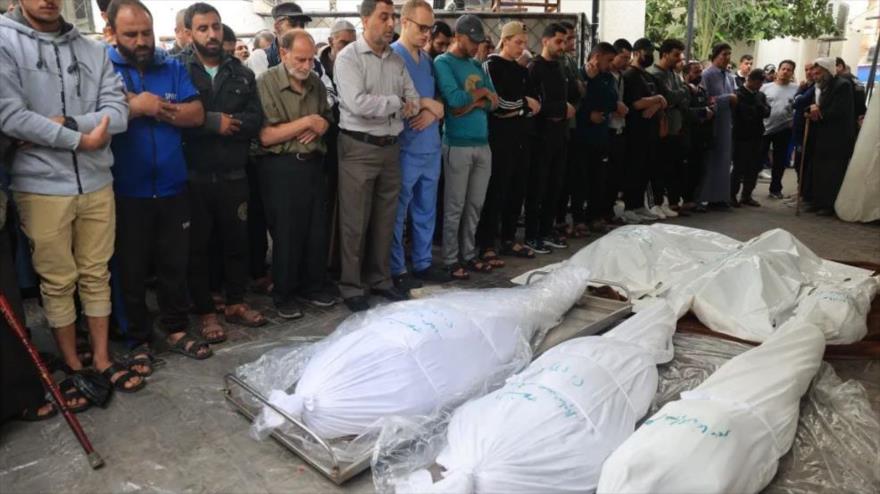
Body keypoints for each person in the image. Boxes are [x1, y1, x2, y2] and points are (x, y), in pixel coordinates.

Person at [0, 0, 141, 400]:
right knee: (58, 280)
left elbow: (119, 112)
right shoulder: (4, 41)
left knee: (97, 273)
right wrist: (80, 139)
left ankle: (100, 359)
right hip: (40, 184)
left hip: (96, 181)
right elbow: (9, 115)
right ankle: (72, 364)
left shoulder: (91, 49)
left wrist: (67, 125)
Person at [107, 0, 210, 360]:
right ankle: (139, 340)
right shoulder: (103, 67)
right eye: (130, 34)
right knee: (131, 270)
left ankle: (177, 328)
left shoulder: (172, 65)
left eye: (146, 33)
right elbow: (103, 115)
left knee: (173, 266)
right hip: (125, 190)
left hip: (172, 185)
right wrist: (139, 107)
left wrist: (149, 107)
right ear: (113, 34)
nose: (141, 41)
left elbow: (196, 114)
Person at [181, 3, 267, 334]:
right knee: (198, 248)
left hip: (234, 174)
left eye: (215, 27)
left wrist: (231, 124)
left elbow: (254, 120)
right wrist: (213, 124)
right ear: (189, 33)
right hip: (194, 176)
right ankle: (206, 311)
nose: (212, 34)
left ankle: (236, 302)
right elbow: (176, 118)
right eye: (203, 28)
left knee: (236, 243)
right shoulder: (178, 69)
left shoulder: (241, 73)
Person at [333, 0, 421, 312]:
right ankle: (352, 285)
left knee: (386, 218)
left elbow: (414, 99)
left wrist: (399, 102)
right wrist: (397, 102)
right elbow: (358, 104)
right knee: (355, 221)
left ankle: (380, 280)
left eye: (393, 17)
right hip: (359, 148)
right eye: (384, 17)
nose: (390, 24)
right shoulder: (348, 59)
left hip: (390, 148)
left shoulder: (396, 60)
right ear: (365, 19)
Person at [256, 29, 337, 318]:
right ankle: (284, 293)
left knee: (316, 230)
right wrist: (307, 121)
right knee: (287, 234)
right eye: (300, 59)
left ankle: (313, 286)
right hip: (282, 167)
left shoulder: (314, 81)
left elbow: (326, 122)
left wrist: (319, 125)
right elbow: (266, 136)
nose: (306, 65)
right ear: (283, 52)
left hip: (313, 163)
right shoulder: (266, 82)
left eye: (310, 59)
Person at [435, 14, 498, 278]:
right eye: (471, 41)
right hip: (457, 145)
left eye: (477, 41)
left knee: (475, 205)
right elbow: (454, 100)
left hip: (482, 144)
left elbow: (494, 102)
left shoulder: (477, 65)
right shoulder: (443, 62)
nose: (475, 46)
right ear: (457, 36)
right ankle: (450, 259)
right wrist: (478, 97)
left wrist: (474, 100)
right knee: (454, 206)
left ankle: (469, 254)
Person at [390, 0, 447, 287]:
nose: (427, 34)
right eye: (422, 27)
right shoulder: (391, 57)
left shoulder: (427, 61)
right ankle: (397, 268)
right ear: (405, 22)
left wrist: (433, 109)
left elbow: (438, 101)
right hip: (405, 146)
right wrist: (427, 107)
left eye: (430, 28)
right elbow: (392, 102)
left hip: (430, 146)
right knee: (398, 212)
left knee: (426, 208)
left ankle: (423, 263)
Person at [478, 21, 539, 260]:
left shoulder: (523, 71)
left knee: (517, 189)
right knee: (497, 190)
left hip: (522, 137)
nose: (522, 47)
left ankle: (509, 238)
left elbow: (536, 102)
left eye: (525, 43)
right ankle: (486, 243)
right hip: (499, 139)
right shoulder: (491, 66)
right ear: (505, 40)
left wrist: (522, 106)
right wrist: (522, 104)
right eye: (518, 42)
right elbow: (499, 104)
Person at [524, 23, 575, 254]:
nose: (562, 46)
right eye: (558, 41)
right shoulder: (535, 68)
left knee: (555, 186)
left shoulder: (560, 67)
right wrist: (559, 109)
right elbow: (534, 105)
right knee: (538, 187)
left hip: (560, 136)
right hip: (541, 137)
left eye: (565, 41)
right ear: (545, 41)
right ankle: (532, 234)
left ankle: (546, 230)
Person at [573, 42, 619, 233]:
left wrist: (596, 83)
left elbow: (611, 101)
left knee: (598, 179)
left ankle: (595, 216)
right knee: (579, 179)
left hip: (600, 135)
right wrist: (587, 113)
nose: (610, 65)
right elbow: (576, 101)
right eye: (608, 60)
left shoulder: (608, 77)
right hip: (581, 135)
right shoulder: (578, 74)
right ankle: (578, 219)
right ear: (596, 57)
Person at [622, 38, 667, 220]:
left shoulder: (649, 76)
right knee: (633, 169)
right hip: (635, 132)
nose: (649, 55)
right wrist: (656, 99)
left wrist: (656, 102)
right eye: (646, 51)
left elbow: (663, 99)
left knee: (645, 170)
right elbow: (636, 103)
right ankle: (629, 207)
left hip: (650, 132)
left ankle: (640, 205)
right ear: (637, 52)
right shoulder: (630, 75)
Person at [805, 57, 856, 215]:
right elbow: (812, 104)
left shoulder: (842, 85)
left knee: (832, 172)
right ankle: (817, 201)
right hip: (822, 137)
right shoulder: (820, 86)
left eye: (818, 73)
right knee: (819, 170)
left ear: (827, 72)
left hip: (837, 138)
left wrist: (817, 114)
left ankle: (828, 205)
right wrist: (811, 109)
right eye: (813, 73)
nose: (815, 76)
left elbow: (838, 111)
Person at [647, 38, 688, 217]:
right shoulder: (655, 74)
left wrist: (679, 95)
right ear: (664, 54)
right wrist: (681, 93)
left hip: (675, 127)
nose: (679, 59)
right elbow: (669, 97)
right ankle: (655, 202)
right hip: (661, 129)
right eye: (676, 55)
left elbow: (681, 97)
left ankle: (666, 202)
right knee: (658, 168)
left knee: (671, 168)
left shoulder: (673, 74)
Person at [697, 42, 737, 210]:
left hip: (726, 122)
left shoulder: (729, 76)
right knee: (710, 161)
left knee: (724, 160)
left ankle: (719, 198)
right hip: (712, 122)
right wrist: (727, 98)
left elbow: (735, 95)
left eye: (729, 54)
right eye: (723, 54)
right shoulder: (707, 74)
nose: (727, 58)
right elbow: (705, 98)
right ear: (715, 55)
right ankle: (702, 199)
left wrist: (731, 98)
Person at [730, 69, 771, 207]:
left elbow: (767, 111)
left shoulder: (760, 95)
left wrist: (758, 109)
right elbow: (743, 114)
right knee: (739, 167)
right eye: (759, 82)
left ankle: (747, 195)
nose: (760, 85)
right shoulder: (738, 93)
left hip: (757, 135)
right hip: (741, 136)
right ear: (751, 80)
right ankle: (731, 195)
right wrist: (757, 110)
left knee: (754, 167)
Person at [609, 39, 638, 224]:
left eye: (629, 58)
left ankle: (610, 210)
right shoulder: (605, 75)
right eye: (623, 57)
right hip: (607, 129)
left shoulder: (621, 76)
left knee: (615, 174)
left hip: (620, 128)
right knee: (605, 176)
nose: (626, 62)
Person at [761, 59, 798, 200]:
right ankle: (747, 190)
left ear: (792, 73)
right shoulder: (765, 88)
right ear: (778, 70)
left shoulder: (796, 89)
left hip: (784, 129)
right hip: (764, 128)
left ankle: (775, 189)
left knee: (780, 161)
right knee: (758, 158)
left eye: (789, 70)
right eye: (783, 68)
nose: (785, 71)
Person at [682, 60, 715, 211]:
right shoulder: (684, 90)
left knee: (699, 169)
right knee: (687, 170)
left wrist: (710, 109)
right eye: (696, 72)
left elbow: (709, 106)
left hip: (702, 136)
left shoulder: (701, 90)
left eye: (700, 71)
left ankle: (695, 199)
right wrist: (703, 112)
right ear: (686, 73)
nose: (699, 75)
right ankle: (686, 199)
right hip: (687, 135)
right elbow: (684, 111)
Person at [247, 2, 311, 77]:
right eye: (293, 23)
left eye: (302, 25)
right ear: (277, 26)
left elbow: (324, 86)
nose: (299, 29)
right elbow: (264, 86)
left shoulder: (311, 57)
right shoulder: (261, 56)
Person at [835, 57, 868, 127]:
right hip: (859, 117)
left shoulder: (841, 80)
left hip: (846, 120)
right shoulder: (857, 79)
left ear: (840, 66)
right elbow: (861, 98)